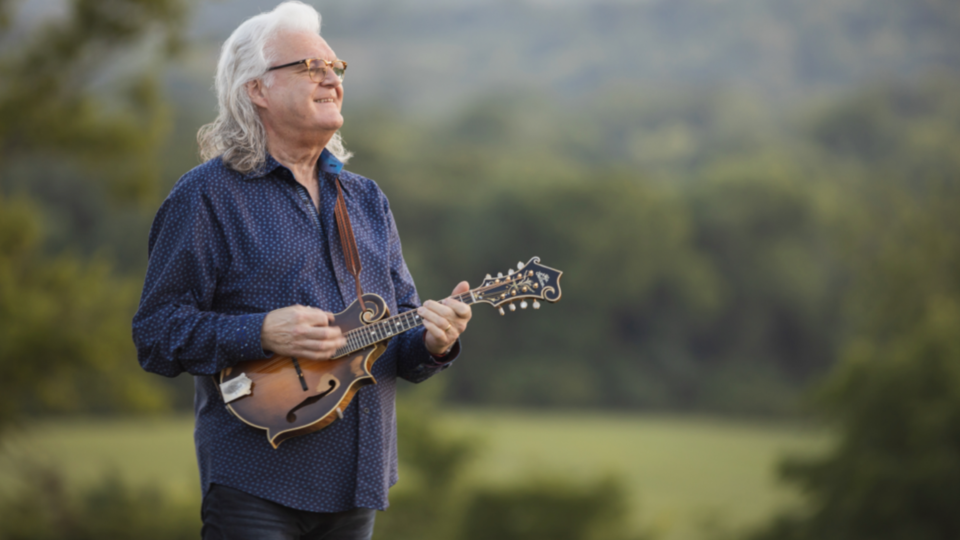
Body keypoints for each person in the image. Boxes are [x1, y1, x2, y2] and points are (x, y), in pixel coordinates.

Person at [131, 2, 472, 538]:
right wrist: (260, 331)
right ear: (256, 89)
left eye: (334, 68)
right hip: (255, 482)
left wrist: (434, 344)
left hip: (358, 484)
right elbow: (156, 334)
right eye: (309, 66)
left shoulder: (365, 199)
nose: (331, 79)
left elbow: (395, 340)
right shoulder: (206, 196)